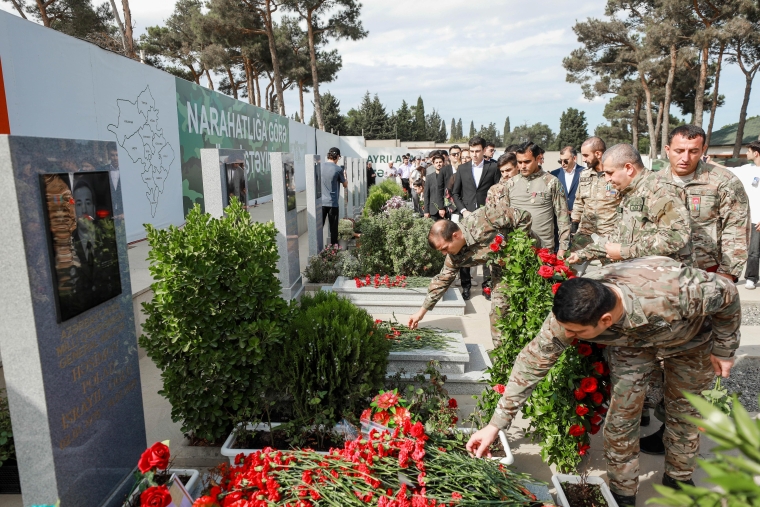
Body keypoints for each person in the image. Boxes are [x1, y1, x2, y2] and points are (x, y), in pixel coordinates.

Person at [465, 258, 740, 506]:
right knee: (621, 418)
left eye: (576, 332)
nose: (569, 335)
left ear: (605, 319)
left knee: (685, 411)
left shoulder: (679, 290)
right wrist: (495, 425)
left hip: (690, 339)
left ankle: (678, 475)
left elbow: (729, 295)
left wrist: (724, 348)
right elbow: (532, 361)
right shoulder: (573, 313)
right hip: (631, 344)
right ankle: (623, 492)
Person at [638, 125, 749, 454]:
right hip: (660, 287)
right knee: (657, 359)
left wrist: (726, 279)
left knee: (692, 364)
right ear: (667, 149)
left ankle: (678, 435)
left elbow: (736, 230)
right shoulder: (652, 183)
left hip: (703, 288)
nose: (685, 158)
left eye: (693, 151)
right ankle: (661, 416)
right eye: (679, 150)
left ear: (703, 151)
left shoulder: (722, 181)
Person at [407, 198, 534, 347]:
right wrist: (421, 313)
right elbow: (442, 279)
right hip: (502, 270)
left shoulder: (485, 217)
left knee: (532, 307)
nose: (444, 253)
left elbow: (524, 216)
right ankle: (504, 357)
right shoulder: (454, 256)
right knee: (499, 312)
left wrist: (516, 249)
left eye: (444, 248)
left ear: (455, 235)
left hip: (529, 258)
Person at [565, 144, 694, 267]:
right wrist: (581, 254)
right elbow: (618, 236)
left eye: (610, 173)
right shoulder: (630, 192)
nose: (607, 179)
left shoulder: (659, 190)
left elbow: (677, 236)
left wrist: (625, 251)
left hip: (666, 278)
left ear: (629, 168)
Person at [451, 136, 502, 300]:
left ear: (484, 150)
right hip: (466, 218)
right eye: (471, 151)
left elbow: (498, 192)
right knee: (465, 252)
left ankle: (487, 287)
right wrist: (464, 210)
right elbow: (455, 193)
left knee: (488, 252)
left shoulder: (493, 167)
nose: (474, 154)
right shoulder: (462, 169)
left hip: (486, 217)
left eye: (477, 151)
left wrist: (490, 212)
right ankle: (466, 287)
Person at [501, 142, 571, 257]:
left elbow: (562, 217)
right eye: (519, 162)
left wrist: (563, 248)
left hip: (543, 250)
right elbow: (504, 218)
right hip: (516, 249)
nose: (523, 166)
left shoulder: (551, 182)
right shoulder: (510, 184)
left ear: (538, 158)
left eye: (527, 162)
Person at [570, 137, 619, 254]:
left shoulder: (615, 175)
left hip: (608, 235)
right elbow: (579, 201)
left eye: (586, 155)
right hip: (585, 233)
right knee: (569, 266)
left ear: (598, 154)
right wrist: (574, 224)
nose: (584, 160)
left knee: (610, 271)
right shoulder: (584, 175)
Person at [721, 140, 760, 288]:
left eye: (749, 151)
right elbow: (729, 170)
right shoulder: (748, 169)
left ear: (756, 153)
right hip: (751, 218)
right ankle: (751, 278)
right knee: (752, 251)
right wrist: (711, 163)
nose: (747, 153)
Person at [321, 147, 347, 246]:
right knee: (333, 229)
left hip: (321, 202)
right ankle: (333, 250)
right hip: (333, 203)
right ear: (337, 157)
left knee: (320, 227)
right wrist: (344, 175)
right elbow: (345, 185)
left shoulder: (320, 166)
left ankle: (318, 250)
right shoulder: (338, 169)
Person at [550, 146, 583, 214]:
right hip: (560, 218)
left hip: (579, 217)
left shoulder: (584, 172)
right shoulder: (554, 174)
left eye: (565, 160)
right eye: (560, 161)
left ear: (574, 158)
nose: (562, 163)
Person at [424, 153, 447, 220]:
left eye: (440, 162)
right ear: (433, 164)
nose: (438, 164)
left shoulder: (448, 176)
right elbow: (426, 195)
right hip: (433, 210)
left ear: (443, 163)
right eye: (436, 162)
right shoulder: (429, 177)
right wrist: (426, 211)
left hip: (446, 209)